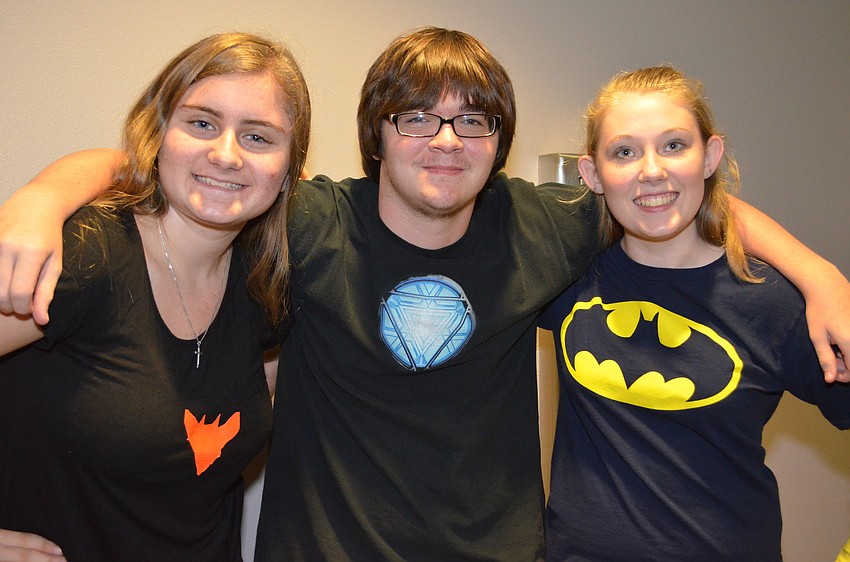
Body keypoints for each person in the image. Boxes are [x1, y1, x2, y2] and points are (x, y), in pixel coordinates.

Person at [0, 28, 848, 561]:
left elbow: (668, 194)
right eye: (416, 117)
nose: (446, 140)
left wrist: (819, 275)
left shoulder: (543, 226)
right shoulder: (308, 222)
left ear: (498, 143)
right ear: (375, 134)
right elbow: (180, 170)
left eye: (474, 121)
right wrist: (41, 195)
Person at [0, 31, 310, 561]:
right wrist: (44, 194)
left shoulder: (265, 281)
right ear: (159, 133)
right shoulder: (87, 255)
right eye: (202, 123)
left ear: (288, 170)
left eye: (258, 137)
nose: (226, 154)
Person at [539, 65, 850, 561]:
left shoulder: (770, 301)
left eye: (674, 145)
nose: (651, 170)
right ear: (593, 174)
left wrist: (821, 275)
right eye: (624, 152)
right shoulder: (567, 274)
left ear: (710, 156)